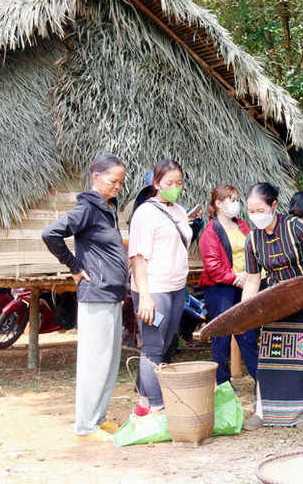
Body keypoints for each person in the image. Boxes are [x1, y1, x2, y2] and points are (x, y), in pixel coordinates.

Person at [41, 153, 128, 441]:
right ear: (96, 177)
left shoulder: (108, 208)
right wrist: (75, 267)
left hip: (112, 293)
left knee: (109, 360)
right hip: (96, 293)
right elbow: (51, 234)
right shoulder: (87, 208)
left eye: (121, 182)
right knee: (95, 361)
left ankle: (98, 417)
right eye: (113, 181)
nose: (117, 187)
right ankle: (86, 425)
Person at [241, 183, 303, 431]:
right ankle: (263, 412)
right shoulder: (252, 240)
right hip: (273, 303)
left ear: (273, 206)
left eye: (259, 209)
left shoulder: (295, 226)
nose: (255, 215)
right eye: (250, 211)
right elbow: (252, 280)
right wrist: (243, 312)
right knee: (270, 356)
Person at [128, 159, 195, 417]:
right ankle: (156, 404)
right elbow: (139, 258)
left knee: (167, 344)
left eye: (179, 183)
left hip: (177, 287)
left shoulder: (178, 210)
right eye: (168, 183)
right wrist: (145, 297)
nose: (174, 187)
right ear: (156, 184)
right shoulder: (145, 213)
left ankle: (145, 402)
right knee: (153, 347)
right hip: (153, 287)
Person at [198, 184, 258, 385]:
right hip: (220, 288)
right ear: (218, 204)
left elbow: (254, 251)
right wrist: (236, 278)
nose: (235, 204)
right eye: (231, 200)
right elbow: (213, 266)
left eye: (236, 199)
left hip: (245, 284)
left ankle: (260, 378)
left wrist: (248, 276)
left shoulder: (242, 225)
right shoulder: (211, 232)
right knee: (222, 336)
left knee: (247, 332)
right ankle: (223, 382)